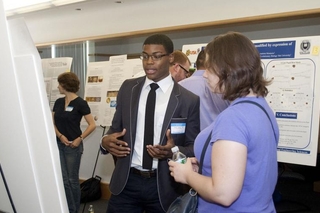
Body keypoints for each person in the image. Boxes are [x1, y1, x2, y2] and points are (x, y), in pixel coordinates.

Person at [169, 32, 279, 212]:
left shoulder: (233, 118)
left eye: (210, 68)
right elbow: (250, 165)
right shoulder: (261, 108)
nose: (204, 75)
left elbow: (223, 194)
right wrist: (207, 164)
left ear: (227, 69)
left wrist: (187, 176)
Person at [100, 34, 200, 213]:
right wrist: (105, 141)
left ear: (170, 58)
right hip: (127, 182)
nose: (149, 62)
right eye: (145, 56)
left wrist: (173, 151)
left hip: (165, 185)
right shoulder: (128, 89)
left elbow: (193, 147)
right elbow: (115, 130)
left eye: (156, 56)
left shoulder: (188, 100)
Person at [52, 72, 96, 213]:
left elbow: (92, 125)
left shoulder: (80, 103)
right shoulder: (59, 102)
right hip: (59, 144)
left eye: (59, 83)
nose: (58, 86)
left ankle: (74, 210)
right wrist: (59, 136)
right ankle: (66, 208)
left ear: (65, 85)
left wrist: (79, 138)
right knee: (64, 180)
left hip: (73, 147)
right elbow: (52, 122)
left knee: (72, 180)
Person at [179, 49, 230, 130]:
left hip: (188, 139)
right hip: (220, 136)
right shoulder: (225, 87)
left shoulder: (180, 86)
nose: (205, 75)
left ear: (196, 64)